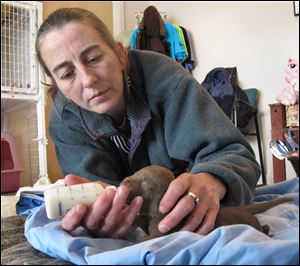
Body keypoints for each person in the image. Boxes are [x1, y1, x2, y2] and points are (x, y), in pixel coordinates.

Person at [36, 7, 261, 239]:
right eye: (66, 74)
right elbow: (96, 195)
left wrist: (213, 179)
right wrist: (101, 218)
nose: (88, 79)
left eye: (94, 59)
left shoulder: (169, 81)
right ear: (57, 85)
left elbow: (237, 156)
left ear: (120, 55)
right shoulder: (65, 120)